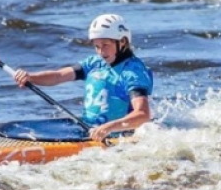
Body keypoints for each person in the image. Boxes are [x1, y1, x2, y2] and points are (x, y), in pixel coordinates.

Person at [13, 14, 153, 142]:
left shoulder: (133, 72)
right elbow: (58, 76)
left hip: (119, 138)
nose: (101, 52)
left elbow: (143, 114)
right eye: (97, 46)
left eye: (105, 45)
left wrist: (109, 127)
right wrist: (31, 77)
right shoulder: (94, 63)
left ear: (122, 41)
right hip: (89, 132)